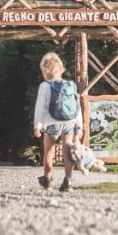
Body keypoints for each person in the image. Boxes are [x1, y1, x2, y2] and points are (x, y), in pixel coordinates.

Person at [33, 52, 83, 192]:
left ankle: (47, 180)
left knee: (49, 151)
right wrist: (79, 125)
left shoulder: (45, 86)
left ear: (45, 71)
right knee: (68, 151)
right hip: (69, 122)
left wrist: (37, 125)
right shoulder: (70, 84)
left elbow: (40, 106)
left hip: (51, 123)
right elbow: (77, 106)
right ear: (61, 69)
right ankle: (68, 181)